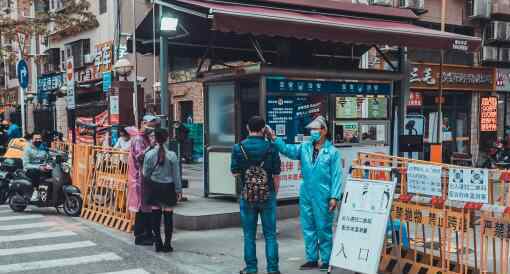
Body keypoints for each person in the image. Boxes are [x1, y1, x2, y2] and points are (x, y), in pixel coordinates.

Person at [268, 115, 342, 272]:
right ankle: (312, 259)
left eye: (315, 129)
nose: (312, 132)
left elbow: (336, 176)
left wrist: (334, 197)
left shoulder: (332, 152)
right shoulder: (305, 147)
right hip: (306, 193)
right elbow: (288, 150)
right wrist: (275, 139)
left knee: (323, 228)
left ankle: (326, 259)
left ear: (324, 131)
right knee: (308, 227)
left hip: (324, 194)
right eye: (311, 129)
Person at [231, 116, 282, 274]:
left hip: (247, 196)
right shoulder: (271, 148)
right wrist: (273, 193)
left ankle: (251, 268)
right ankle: (273, 269)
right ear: (263, 129)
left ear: (247, 128)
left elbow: (234, 172)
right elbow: (276, 175)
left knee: (248, 235)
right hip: (268, 195)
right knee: (270, 235)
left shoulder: (238, 147)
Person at [143, 128, 182, 252]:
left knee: (155, 216)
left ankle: (158, 243)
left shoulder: (149, 155)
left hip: (154, 187)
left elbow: (145, 173)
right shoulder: (172, 155)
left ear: (155, 139)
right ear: (166, 139)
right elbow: (176, 175)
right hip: (168, 188)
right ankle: (167, 245)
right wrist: (178, 190)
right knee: (168, 217)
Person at [127, 115, 160, 246]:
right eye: (150, 126)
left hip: (146, 178)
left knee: (147, 207)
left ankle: (147, 233)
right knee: (142, 208)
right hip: (139, 179)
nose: (152, 129)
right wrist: (150, 147)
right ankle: (141, 235)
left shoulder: (145, 138)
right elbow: (140, 157)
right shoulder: (139, 139)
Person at [22, 133, 50, 201]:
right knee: (35, 172)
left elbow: (48, 157)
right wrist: (39, 167)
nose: (38, 140)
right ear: (32, 139)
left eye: (39, 139)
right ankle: (35, 191)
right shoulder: (27, 149)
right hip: (30, 170)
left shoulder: (43, 147)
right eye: (36, 139)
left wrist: (48, 165)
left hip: (43, 168)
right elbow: (26, 164)